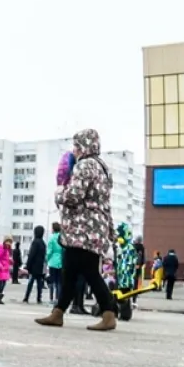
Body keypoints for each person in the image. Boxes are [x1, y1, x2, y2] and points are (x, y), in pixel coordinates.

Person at [37, 128, 117, 331]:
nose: (74, 150)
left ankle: (109, 313)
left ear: (83, 146)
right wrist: (110, 230)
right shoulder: (102, 167)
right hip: (95, 228)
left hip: (82, 229)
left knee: (89, 271)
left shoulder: (84, 165)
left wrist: (59, 193)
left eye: (76, 146)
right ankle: (58, 313)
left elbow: (74, 196)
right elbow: (105, 204)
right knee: (70, 271)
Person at [23, 225, 48, 304]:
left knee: (31, 282)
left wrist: (27, 265)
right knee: (39, 283)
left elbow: (31, 254)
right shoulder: (43, 243)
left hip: (34, 266)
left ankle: (26, 297)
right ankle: (39, 298)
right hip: (40, 266)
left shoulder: (35, 242)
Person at [45, 222, 64, 304]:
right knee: (59, 282)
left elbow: (49, 252)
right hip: (61, 261)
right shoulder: (62, 238)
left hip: (52, 261)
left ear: (53, 229)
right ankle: (58, 299)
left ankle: (51, 299)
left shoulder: (52, 238)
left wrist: (46, 259)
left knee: (52, 281)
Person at [0, 238, 12, 304]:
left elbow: (5, 259)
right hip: (1, 269)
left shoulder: (7, 250)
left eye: (10, 242)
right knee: (1, 283)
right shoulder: (1, 249)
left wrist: (10, 261)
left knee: (4, 283)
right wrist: (1, 266)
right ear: (4, 241)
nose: (8, 243)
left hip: (5, 269)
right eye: (7, 241)